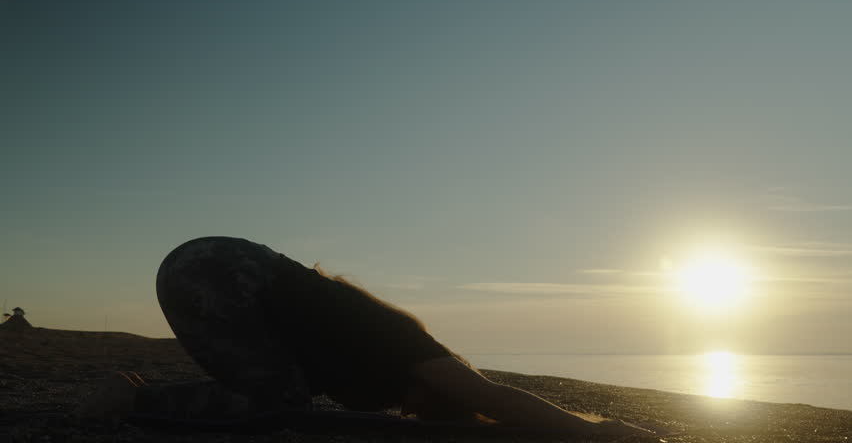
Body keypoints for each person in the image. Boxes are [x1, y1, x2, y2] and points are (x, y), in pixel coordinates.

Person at [76, 236, 650, 437]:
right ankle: (130, 398)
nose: (410, 411)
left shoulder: (370, 356)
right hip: (217, 269)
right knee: (278, 403)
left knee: (275, 394)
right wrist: (594, 431)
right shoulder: (411, 347)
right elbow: (491, 397)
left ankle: (137, 395)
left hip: (215, 266)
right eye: (428, 406)